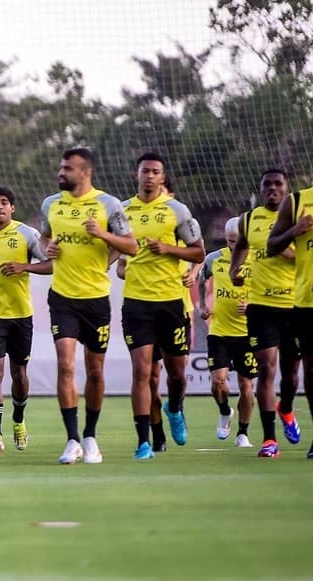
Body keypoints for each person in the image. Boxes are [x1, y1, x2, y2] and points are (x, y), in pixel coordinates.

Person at [40, 148, 138, 465]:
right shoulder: (51, 204)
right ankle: (72, 440)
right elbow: (43, 238)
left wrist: (102, 233)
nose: (61, 172)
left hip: (96, 299)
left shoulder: (108, 204)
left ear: (85, 172)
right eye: (60, 167)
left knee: (95, 371)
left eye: (67, 168)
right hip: (62, 298)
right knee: (66, 365)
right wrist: (48, 247)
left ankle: (90, 435)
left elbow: (132, 246)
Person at [118, 153, 205, 460]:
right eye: (145, 171)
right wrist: (119, 265)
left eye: (156, 172)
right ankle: (146, 440)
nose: (150, 176)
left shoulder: (176, 210)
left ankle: (175, 407)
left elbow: (199, 252)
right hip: (137, 304)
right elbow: (119, 260)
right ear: (136, 174)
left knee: (175, 374)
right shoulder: (122, 210)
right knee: (144, 373)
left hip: (172, 303)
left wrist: (167, 248)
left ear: (163, 177)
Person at [0, 187, 51, 454]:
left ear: (12, 208)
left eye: (4, 203)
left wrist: (24, 266)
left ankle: (18, 418)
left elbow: (50, 264)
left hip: (20, 316)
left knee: (19, 373)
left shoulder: (26, 234)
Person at [267, 146, 313, 459]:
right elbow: (271, 246)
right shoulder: (295, 202)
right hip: (307, 299)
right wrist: (295, 230)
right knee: (311, 370)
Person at [229, 170, 302, 458]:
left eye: (278, 184)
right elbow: (242, 246)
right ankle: (269, 440)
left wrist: (284, 248)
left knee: (292, 375)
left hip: (296, 304)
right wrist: (236, 270)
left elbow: (312, 256)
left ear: (286, 189)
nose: (272, 188)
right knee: (266, 368)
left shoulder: (298, 217)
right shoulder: (249, 219)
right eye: (267, 184)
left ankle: (286, 407)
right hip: (261, 306)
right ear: (260, 189)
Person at [199, 217, 256, 448]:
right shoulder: (214, 259)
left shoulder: (257, 260)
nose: (233, 246)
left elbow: (267, 289)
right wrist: (203, 305)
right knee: (218, 382)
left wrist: (251, 305)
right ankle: (225, 411)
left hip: (247, 332)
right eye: (229, 241)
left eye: (237, 241)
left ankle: (243, 433)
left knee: (246, 385)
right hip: (219, 330)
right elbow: (201, 279)